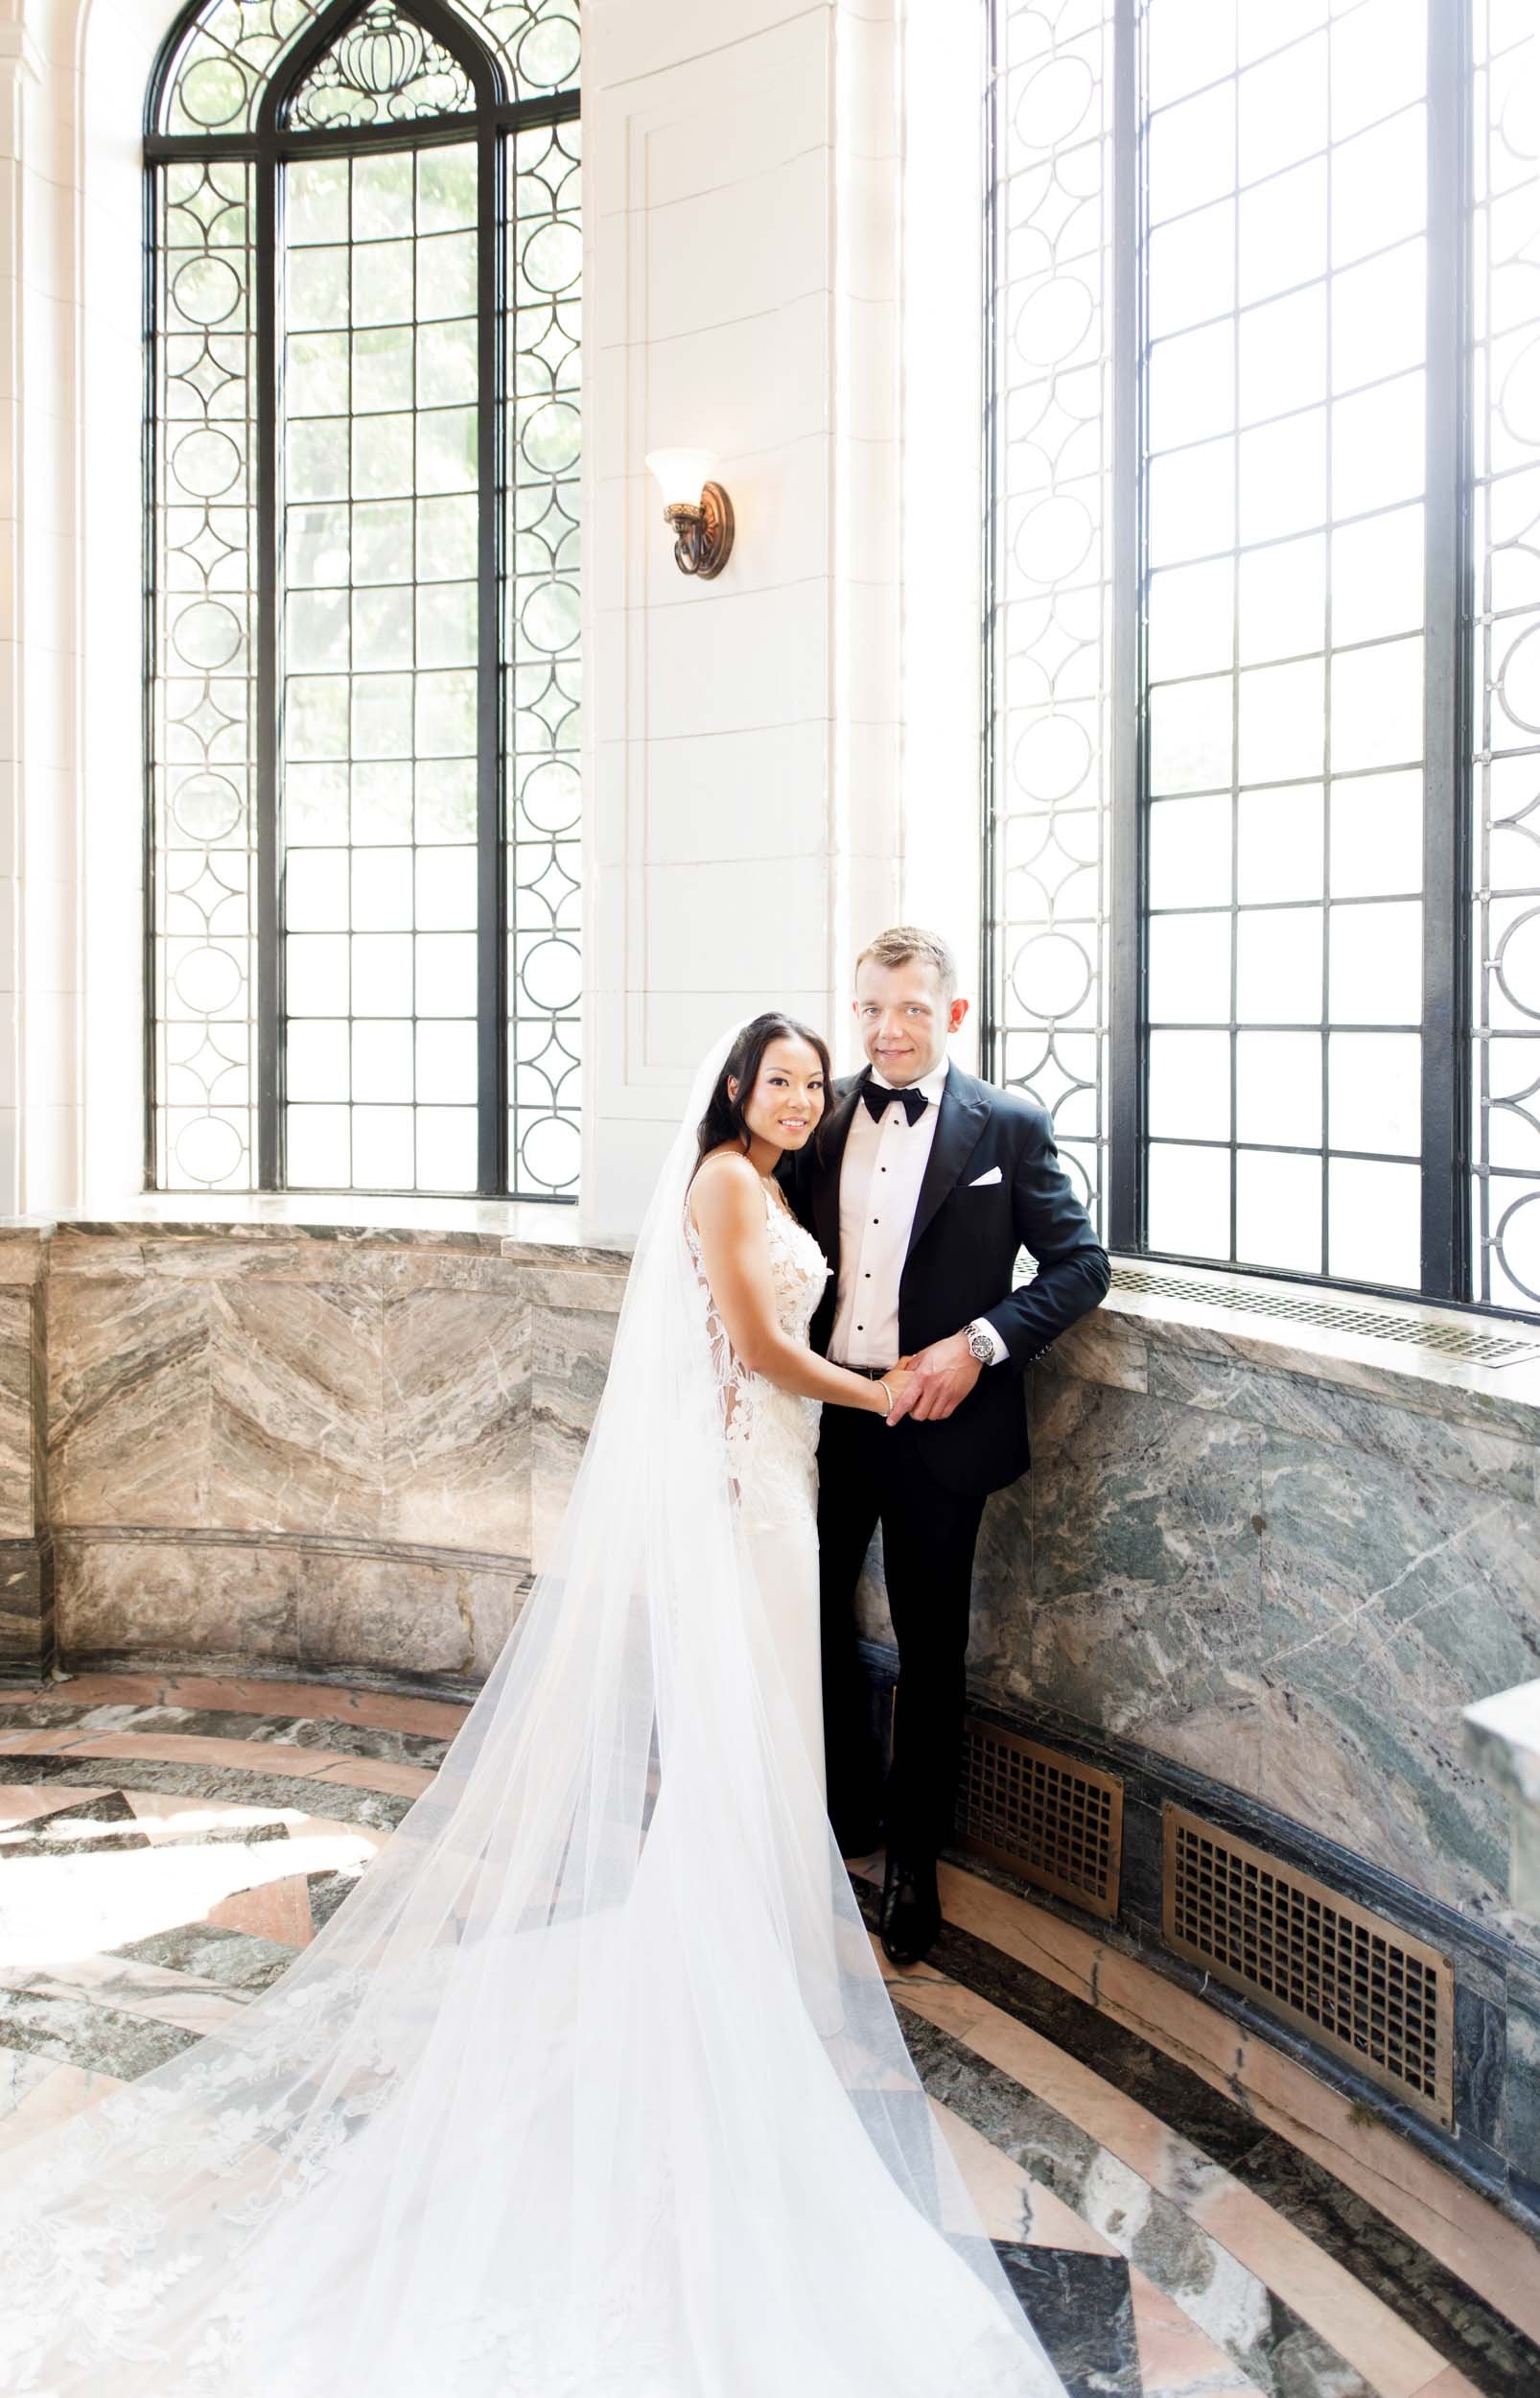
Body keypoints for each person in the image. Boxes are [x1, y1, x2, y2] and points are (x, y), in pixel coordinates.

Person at [0, 1013, 1067, 2398]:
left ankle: (748, 1934)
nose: (804, 1097)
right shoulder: (727, 1182)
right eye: (784, 1077)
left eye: (816, 1080)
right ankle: (721, 1959)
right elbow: (751, 1343)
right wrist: (885, 1392)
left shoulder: (778, 1176)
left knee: (761, 1724)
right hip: (746, 1487)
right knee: (745, 1719)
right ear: (735, 1084)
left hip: (777, 1483)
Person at [782, 929, 1109, 1969]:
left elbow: (1080, 1264)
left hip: (943, 1429)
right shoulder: (817, 1115)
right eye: (872, 1006)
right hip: (827, 1417)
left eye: (912, 1007)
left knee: (929, 1649)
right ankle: (844, 1814)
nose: (889, 1027)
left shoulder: (1007, 1124)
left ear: (952, 1015)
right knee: (812, 1617)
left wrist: (979, 1345)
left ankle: (912, 1862)